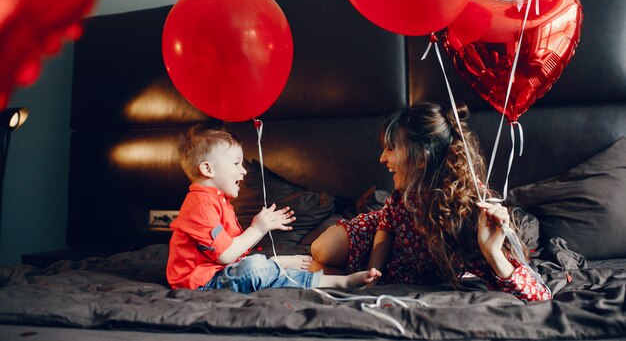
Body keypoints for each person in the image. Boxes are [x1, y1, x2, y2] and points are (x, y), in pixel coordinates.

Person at [310, 102, 551, 302]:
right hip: (385, 241)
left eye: (391, 149)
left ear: (422, 159)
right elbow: (387, 225)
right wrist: (375, 274)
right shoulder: (404, 189)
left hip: (415, 266)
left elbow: (540, 297)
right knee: (320, 250)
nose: (382, 158)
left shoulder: (470, 213)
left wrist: (492, 253)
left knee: (315, 271)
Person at [166, 124, 381, 293]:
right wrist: (258, 229)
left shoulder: (218, 202)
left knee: (257, 268)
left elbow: (233, 257)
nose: (243, 171)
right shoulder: (200, 205)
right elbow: (226, 256)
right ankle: (279, 264)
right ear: (207, 168)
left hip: (221, 272)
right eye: (235, 164)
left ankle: (340, 282)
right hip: (201, 283)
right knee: (254, 269)